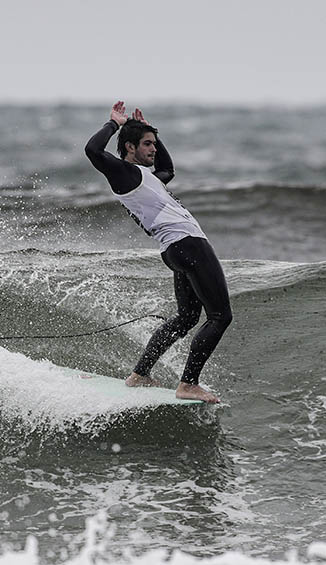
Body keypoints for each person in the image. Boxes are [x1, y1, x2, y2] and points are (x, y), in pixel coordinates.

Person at [85, 101, 231, 404]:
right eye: (147, 144)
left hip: (175, 249)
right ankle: (188, 384)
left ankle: (140, 374)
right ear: (129, 147)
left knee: (186, 318)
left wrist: (153, 131)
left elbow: (168, 170)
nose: (153, 148)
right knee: (220, 316)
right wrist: (114, 123)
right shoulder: (124, 172)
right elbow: (93, 150)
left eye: (154, 143)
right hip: (188, 244)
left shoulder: (144, 176)